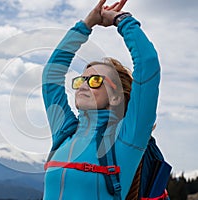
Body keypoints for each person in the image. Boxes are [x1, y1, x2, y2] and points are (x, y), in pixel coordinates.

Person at [42, 0, 161, 199]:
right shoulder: (65, 132)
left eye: (96, 80)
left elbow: (147, 65)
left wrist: (122, 21)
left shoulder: (127, 138)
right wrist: (86, 24)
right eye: (82, 79)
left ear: (115, 97)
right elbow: (51, 76)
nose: (84, 84)